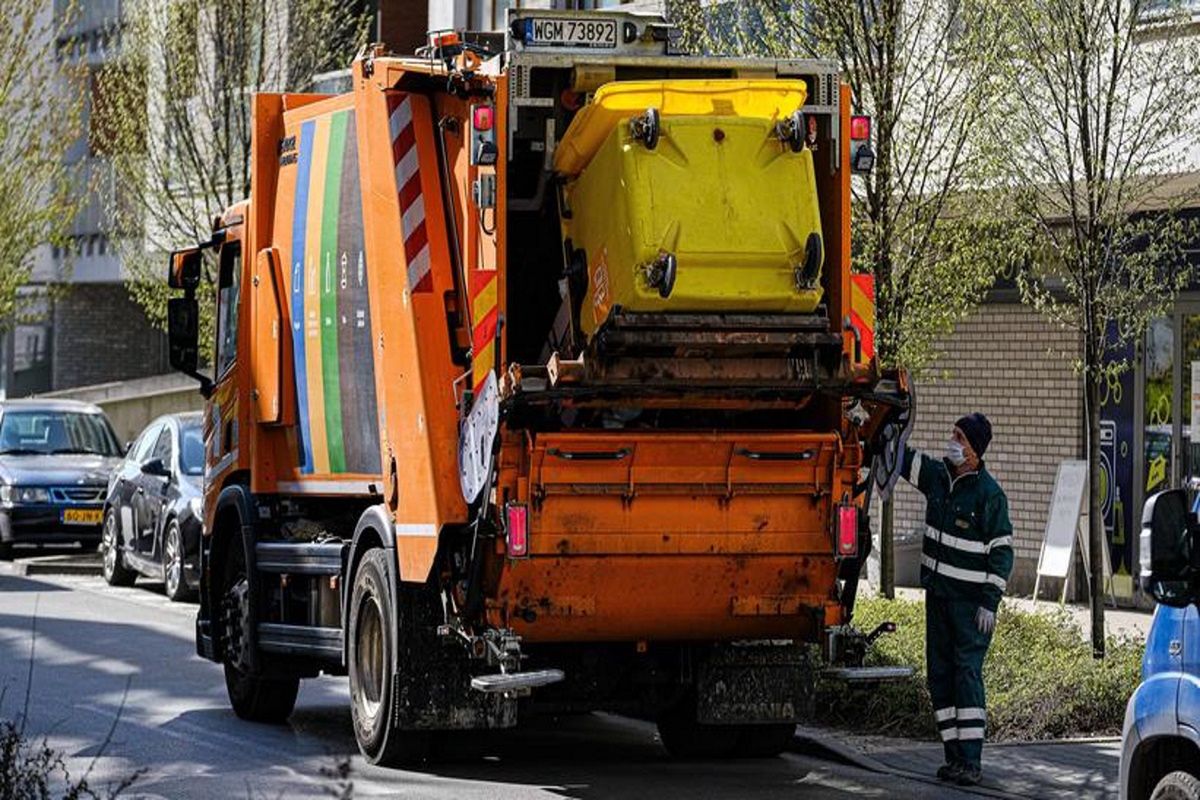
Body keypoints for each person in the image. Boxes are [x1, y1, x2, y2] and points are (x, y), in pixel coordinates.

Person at [900, 413, 1013, 787]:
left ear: (975, 451)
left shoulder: (989, 496)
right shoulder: (938, 477)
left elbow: (1001, 553)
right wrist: (881, 428)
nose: (952, 440)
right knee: (941, 676)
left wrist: (990, 602)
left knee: (966, 676)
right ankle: (953, 756)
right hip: (939, 598)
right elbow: (902, 459)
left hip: (969, 607)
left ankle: (971, 760)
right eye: (954, 433)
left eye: (960, 437)